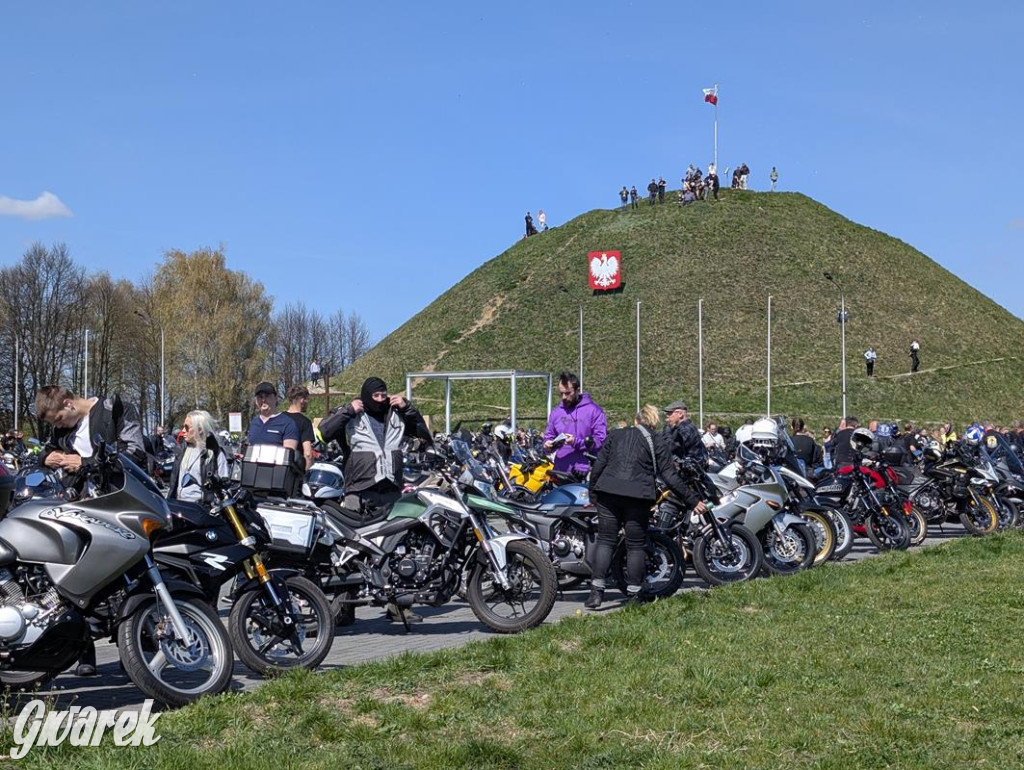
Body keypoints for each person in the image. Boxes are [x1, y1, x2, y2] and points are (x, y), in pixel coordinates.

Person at [36, 385, 147, 678]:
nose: (57, 426)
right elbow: (48, 450)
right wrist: (48, 458)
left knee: (126, 580)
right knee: (78, 580)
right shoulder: (63, 430)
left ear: (70, 404)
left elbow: (133, 452)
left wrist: (82, 463)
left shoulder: (113, 407)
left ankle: (132, 652)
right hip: (79, 509)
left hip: (118, 504)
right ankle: (85, 652)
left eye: (58, 419)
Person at [319, 376, 431, 623]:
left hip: (390, 488)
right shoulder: (352, 414)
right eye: (375, 396)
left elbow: (424, 434)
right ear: (367, 396)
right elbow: (324, 432)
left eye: (383, 395)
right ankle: (344, 609)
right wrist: (348, 410)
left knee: (395, 549)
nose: (380, 400)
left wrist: (408, 408)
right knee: (349, 551)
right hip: (359, 489)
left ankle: (398, 607)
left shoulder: (397, 414)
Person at [584, 405, 707, 609]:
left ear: (636, 421)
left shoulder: (616, 435)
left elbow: (598, 465)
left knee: (606, 541)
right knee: (635, 545)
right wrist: (693, 501)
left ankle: (596, 594)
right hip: (637, 496)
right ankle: (633, 595)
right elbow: (670, 476)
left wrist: (593, 493)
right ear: (653, 423)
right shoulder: (657, 440)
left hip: (608, 492)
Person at [543, 372, 607, 475]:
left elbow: (600, 441)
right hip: (561, 470)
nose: (564, 397)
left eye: (568, 393)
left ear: (577, 390)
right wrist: (547, 445)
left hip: (585, 471)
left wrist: (576, 442)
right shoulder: (556, 412)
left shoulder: (594, 411)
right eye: (561, 393)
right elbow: (549, 436)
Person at [167, 410, 229, 505]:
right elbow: (174, 482)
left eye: (187, 427)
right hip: (179, 506)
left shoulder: (215, 453)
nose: (183, 431)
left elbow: (224, 486)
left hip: (202, 511)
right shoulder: (182, 450)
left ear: (199, 429)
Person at [247, 381, 300, 451]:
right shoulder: (253, 423)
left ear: (275, 398)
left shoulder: (288, 423)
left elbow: (288, 456)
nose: (263, 400)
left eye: (267, 396)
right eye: (260, 397)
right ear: (256, 401)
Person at [663, 400, 707, 467]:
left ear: (680, 414)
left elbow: (669, 447)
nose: (667, 416)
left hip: (691, 471)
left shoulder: (685, 430)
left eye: (670, 413)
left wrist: (667, 429)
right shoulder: (685, 427)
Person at [283, 384, 316, 471]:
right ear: (302, 400)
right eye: (307, 399)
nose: (307, 402)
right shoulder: (305, 422)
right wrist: (306, 475)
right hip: (294, 472)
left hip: (278, 469)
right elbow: (308, 454)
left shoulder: (278, 418)